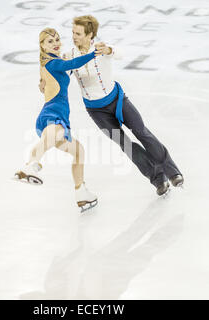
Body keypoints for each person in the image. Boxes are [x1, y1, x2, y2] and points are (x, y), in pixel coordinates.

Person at [41, 15, 183, 196]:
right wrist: (45, 81)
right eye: (73, 32)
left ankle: (173, 172)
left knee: (142, 132)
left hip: (118, 101)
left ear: (90, 34)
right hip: (96, 111)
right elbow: (60, 75)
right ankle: (158, 179)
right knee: (125, 144)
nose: (74, 36)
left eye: (78, 33)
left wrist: (108, 49)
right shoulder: (69, 56)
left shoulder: (101, 48)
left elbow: (120, 53)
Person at [15, 28, 102, 211]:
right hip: (52, 114)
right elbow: (74, 63)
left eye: (56, 39)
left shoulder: (48, 63)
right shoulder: (53, 63)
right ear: (42, 46)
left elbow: (49, 80)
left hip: (58, 115)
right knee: (49, 139)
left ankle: (81, 192)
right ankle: (30, 165)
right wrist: (93, 54)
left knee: (78, 151)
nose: (55, 43)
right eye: (49, 41)